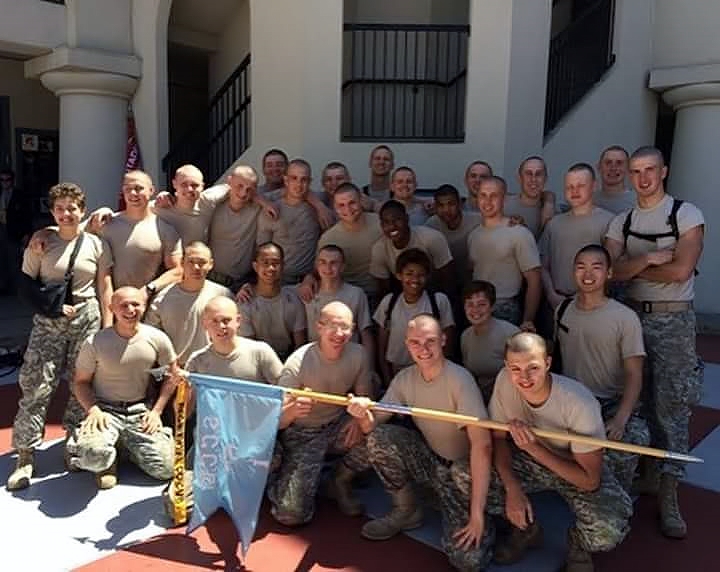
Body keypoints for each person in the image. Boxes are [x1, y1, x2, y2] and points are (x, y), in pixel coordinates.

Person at [604, 145, 704, 538]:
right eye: (635, 171)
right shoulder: (622, 221)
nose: (642, 178)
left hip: (673, 322)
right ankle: (645, 476)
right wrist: (646, 260)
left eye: (650, 170)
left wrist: (631, 269)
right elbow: (612, 271)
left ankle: (670, 493)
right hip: (630, 319)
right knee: (635, 400)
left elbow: (681, 271)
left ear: (664, 171)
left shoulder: (686, 214)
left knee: (672, 407)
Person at [346, 314, 495, 572]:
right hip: (432, 462)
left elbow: (482, 446)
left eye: (430, 341)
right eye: (415, 342)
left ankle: (488, 519)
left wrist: (476, 514)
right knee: (381, 438)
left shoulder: (460, 379)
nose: (423, 349)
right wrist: (361, 411)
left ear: (443, 341)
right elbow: (373, 425)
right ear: (406, 343)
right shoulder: (404, 379)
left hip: (464, 474)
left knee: (468, 561)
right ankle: (407, 511)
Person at [483, 332, 632, 571]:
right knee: (466, 475)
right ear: (506, 367)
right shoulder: (504, 380)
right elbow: (499, 438)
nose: (524, 378)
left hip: (572, 465)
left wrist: (533, 447)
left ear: (548, 364)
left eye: (533, 368)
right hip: (529, 459)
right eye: (515, 369)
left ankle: (578, 545)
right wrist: (512, 488)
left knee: (608, 529)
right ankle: (525, 529)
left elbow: (590, 480)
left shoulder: (579, 403)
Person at [6, 183, 114, 491]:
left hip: (87, 318)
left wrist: (106, 326)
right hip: (48, 323)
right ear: (53, 211)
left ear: (82, 211)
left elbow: (104, 285)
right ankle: (25, 455)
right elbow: (25, 285)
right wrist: (50, 308)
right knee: (36, 385)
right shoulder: (41, 243)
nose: (67, 214)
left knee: (81, 384)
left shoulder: (95, 244)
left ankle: (74, 443)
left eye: (73, 208)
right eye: (60, 209)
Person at [555, 244, 649, 493]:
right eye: (580, 267)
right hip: (573, 403)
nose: (587, 274)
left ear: (608, 274)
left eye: (596, 268)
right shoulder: (563, 310)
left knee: (630, 441)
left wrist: (620, 419)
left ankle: (617, 499)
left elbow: (634, 374)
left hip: (610, 403)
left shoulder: (625, 318)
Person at [269, 301, 372, 525]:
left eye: (345, 327)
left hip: (337, 426)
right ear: (319, 327)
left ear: (353, 329)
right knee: (291, 515)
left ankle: (339, 480)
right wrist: (293, 411)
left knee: (375, 437)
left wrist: (358, 417)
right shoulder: (297, 363)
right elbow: (275, 422)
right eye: (332, 326)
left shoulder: (359, 355)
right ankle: (280, 479)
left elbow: (366, 397)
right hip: (302, 435)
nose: (338, 333)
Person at [65, 287, 179, 489]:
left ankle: (123, 447)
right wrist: (93, 410)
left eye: (135, 304)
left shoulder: (157, 338)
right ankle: (102, 457)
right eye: (123, 305)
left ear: (144, 306)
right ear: (112, 308)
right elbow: (80, 382)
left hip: (139, 410)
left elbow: (172, 376)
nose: (130, 309)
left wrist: (156, 411)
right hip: (105, 411)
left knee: (166, 469)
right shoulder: (96, 342)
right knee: (92, 457)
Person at [467, 176, 541, 329]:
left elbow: (534, 280)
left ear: (504, 199)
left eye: (494, 195)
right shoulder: (474, 235)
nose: (487, 201)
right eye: (483, 195)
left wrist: (528, 320)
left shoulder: (519, 233)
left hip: (506, 309)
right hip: (476, 309)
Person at [374, 249, 455, 384]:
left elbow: (448, 343)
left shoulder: (439, 301)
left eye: (421, 274)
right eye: (409, 274)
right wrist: (387, 378)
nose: (415, 279)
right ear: (399, 275)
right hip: (397, 371)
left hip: (431, 370)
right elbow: (382, 346)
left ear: (428, 276)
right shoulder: (389, 302)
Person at [144, 242, 232, 366]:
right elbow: (151, 336)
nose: (196, 267)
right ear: (182, 262)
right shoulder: (162, 299)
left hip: (213, 369)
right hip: (174, 370)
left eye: (202, 262)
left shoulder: (223, 295)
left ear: (211, 264)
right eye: (191, 262)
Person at [539, 163, 613, 310]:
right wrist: (551, 294)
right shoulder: (554, 223)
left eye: (581, 185)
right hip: (555, 303)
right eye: (569, 187)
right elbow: (542, 266)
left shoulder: (609, 222)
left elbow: (612, 268)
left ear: (594, 186)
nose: (574, 191)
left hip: (592, 305)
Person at [99, 170, 183, 297]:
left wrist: (148, 290)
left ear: (151, 190)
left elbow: (177, 270)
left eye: (139, 188)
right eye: (128, 189)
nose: (133, 193)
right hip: (111, 305)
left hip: (148, 306)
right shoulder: (105, 225)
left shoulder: (165, 229)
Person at [311, 183, 383, 305]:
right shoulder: (329, 238)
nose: (347, 209)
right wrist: (309, 279)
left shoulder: (380, 224)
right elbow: (317, 270)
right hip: (347, 299)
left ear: (361, 201)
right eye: (341, 205)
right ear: (334, 207)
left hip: (380, 296)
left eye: (352, 203)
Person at [370, 200, 454, 299]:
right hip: (405, 299)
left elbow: (449, 280)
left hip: (435, 295)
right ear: (381, 225)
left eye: (397, 220)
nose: (392, 226)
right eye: (386, 222)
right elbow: (384, 290)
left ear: (407, 218)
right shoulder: (379, 249)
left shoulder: (432, 238)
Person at [237, 242, 307, 361]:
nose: (271, 268)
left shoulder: (294, 298)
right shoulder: (245, 301)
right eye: (265, 263)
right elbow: (248, 347)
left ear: (283, 265)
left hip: (289, 360)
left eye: (275, 263)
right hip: (255, 360)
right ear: (255, 266)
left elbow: (300, 344)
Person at [304, 245, 374, 362]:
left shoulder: (356, 294)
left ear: (342, 267)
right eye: (323, 262)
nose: (328, 267)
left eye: (333, 263)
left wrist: (369, 367)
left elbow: (366, 334)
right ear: (316, 265)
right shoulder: (307, 293)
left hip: (349, 358)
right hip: (316, 359)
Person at [257, 159, 322, 284]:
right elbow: (262, 250)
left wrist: (321, 207)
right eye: (294, 178)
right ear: (286, 180)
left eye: (304, 179)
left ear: (310, 182)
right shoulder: (271, 211)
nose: (299, 184)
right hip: (279, 280)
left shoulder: (318, 207)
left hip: (309, 281)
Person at [205, 165, 266, 291]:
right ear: (229, 181)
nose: (244, 193)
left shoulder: (257, 208)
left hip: (242, 284)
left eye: (249, 189)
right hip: (210, 280)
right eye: (240, 186)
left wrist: (265, 203)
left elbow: (288, 194)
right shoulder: (213, 206)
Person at [460, 281, 519, 403]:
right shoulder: (465, 336)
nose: (475, 310)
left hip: (510, 399)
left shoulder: (511, 334)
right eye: (470, 304)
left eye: (481, 304)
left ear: (492, 306)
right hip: (480, 399)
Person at [425, 184, 483, 284]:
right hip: (444, 282)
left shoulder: (478, 220)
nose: (446, 210)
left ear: (460, 204)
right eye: (441, 205)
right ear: (435, 206)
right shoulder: (431, 225)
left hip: (473, 281)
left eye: (451, 204)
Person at [504, 156, 556, 238]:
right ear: (519, 178)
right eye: (528, 173)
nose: (533, 179)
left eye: (538, 174)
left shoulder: (556, 213)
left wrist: (549, 202)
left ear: (545, 178)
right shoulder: (504, 207)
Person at [0, 168, 32, 294]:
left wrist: (26, 233)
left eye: (7, 180)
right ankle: (3, 286)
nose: (4, 183)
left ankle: (17, 288)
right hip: (1, 228)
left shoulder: (20, 195)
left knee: (14, 260)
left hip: (14, 231)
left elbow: (27, 216)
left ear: (12, 181)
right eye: (2, 180)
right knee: (2, 259)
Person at [594, 145, 636, 214]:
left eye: (619, 163)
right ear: (599, 167)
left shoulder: (638, 202)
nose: (613, 168)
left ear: (628, 168)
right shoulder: (588, 200)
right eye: (608, 163)